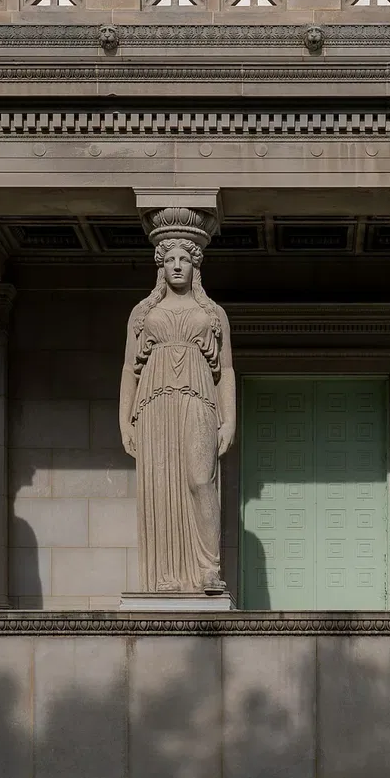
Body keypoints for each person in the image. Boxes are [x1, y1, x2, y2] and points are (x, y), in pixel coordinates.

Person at [119, 209, 235, 594]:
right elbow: (128, 370)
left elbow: (227, 371)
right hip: (154, 402)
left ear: (196, 264)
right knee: (161, 484)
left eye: (184, 258)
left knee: (200, 480)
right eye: (169, 259)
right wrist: (124, 422)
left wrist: (230, 419)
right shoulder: (144, 312)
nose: (177, 266)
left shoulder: (212, 313)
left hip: (199, 397)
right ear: (160, 266)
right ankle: (166, 577)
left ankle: (208, 569)